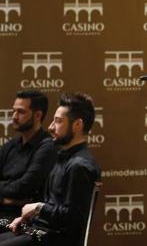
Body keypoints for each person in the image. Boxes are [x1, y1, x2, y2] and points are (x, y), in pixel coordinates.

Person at [0, 93, 101, 246]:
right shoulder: (63, 158)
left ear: (78, 125)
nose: (51, 127)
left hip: (55, 240)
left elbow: (73, 217)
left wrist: (38, 207)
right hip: (39, 231)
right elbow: (54, 207)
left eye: (58, 121)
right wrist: (26, 218)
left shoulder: (79, 166)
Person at [0, 91, 56, 219]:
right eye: (14, 111)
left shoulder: (47, 147)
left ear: (37, 115)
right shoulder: (10, 146)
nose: (14, 116)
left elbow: (24, 187)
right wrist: (5, 200)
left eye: (21, 112)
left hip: (22, 221)